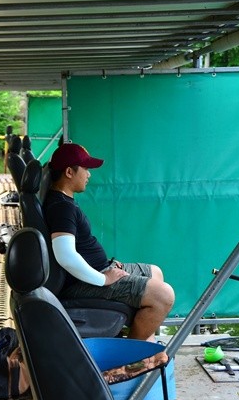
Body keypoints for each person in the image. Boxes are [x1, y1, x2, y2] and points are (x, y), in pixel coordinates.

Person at [43, 143, 175, 341]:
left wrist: (108, 267)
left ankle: (144, 342)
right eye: (86, 169)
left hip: (101, 268)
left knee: (155, 272)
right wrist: (104, 279)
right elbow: (65, 256)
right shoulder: (62, 207)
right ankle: (132, 354)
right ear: (69, 172)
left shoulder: (62, 200)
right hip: (85, 282)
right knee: (164, 296)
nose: (89, 174)